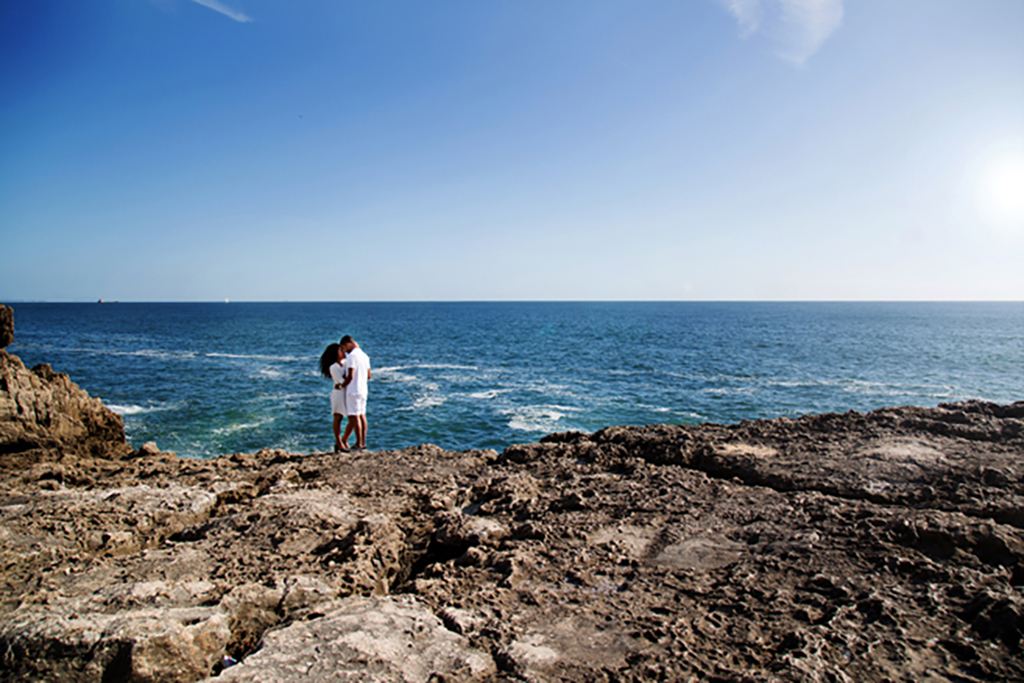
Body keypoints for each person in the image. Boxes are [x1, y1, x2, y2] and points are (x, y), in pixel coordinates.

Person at [338, 334, 371, 450]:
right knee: (362, 415)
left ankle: (358, 443)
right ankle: (363, 442)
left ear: (348, 344)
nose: (344, 352)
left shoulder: (352, 356)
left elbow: (350, 375)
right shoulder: (365, 356)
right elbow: (369, 375)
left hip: (353, 390)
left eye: (344, 348)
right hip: (363, 389)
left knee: (354, 416)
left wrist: (342, 385)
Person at [318, 342, 349, 453]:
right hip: (338, 394)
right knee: (338, 417)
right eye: (341, 350)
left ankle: (343, 440)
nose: (344, 352)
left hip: (344, 391)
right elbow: (342, 381)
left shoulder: (344, 363)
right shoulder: (334, 367)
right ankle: (339, 442)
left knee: (350, 418)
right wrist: (348, 378)